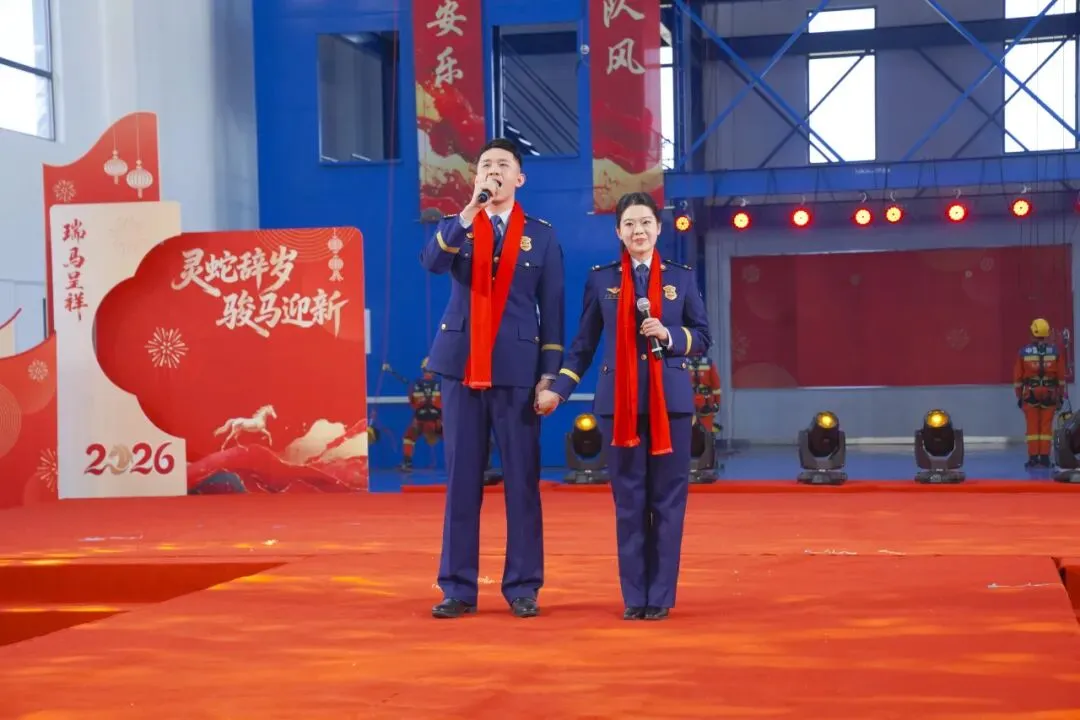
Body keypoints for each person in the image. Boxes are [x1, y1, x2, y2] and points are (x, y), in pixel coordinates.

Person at [536, 191, 711, 621]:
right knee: (630, 504)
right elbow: (583, 345)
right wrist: (558, 390)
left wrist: (669, 335)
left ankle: (660, 597)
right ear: (618, 231)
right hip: (619, 407)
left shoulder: (681, 278)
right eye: (630, 224)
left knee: (668, 504)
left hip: (671, 406)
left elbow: (703, 337)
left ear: (659, 228)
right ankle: (635, 597)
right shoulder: (603, 281)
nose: (638, 231)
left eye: (646, 222)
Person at [420, 138, 565, 619]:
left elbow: (553, 311)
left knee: (522, 482)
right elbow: (432, 262)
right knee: (461, 480)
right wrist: (468, 212)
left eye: (503, 164)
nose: (493, 170)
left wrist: (550, 375)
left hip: (518, 371)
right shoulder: (457, 225)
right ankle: (457, 588)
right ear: (476, 176)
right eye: (486, 165)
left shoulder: (541, 236)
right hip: (461, 366)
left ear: (519, 178)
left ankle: (523, 586)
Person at [1013, 317, 1065, 468]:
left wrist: (1019, 396)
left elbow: (1018, 378)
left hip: (1030, 393)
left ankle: (1033, 458)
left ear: (1032, 333)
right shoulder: (1055, 352)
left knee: (1032, 428)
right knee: (1046, 427)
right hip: (1050, 393)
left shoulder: (1023, 352)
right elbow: (1061, 378)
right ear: (1047, 333)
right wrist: (1060, 396)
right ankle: (1045, 458)